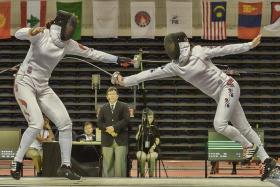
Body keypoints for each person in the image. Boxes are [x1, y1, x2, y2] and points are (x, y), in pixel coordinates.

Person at [111, 32, 277, 181]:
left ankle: (248, 146)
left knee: (219, 125)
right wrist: (124, 81)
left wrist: (248, 45)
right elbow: (148, 74)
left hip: (228, 86)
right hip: (220, 95)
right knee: (245, 128)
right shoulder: (174, 66)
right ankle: (268, 160)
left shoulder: (199, 51)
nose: (170, 50)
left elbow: (224, 49)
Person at [11, 10, 134, 180]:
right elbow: (18, 33)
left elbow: (93, 53)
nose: (70, 30)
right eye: (69, 26)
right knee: (37, 122)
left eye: (72, 27)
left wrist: (117, 59)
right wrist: (30, 31)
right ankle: (16, 161)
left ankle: (66, 166)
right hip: (24, 83)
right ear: (60, 25)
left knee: (65, 123)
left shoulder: (68, 44)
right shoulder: (42, 35)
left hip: (43, 86)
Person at [97, 86, 130, 177]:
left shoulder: (124, 106)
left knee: (120, 165)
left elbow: (126, 120)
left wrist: (114, 127)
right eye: (110, 94)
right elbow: (99, 123)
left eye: (113, 94)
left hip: (121, 139)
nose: (111, 96)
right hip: (107, 139)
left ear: (117, 96)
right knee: (107, 165)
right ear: (107, 96)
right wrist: (109, 130)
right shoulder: (103, 108)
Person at [136, 108, 160, 177]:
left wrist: (153, 147)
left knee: (151, 157)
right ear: (145, 118)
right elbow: (137, 138)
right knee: (142, 157)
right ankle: (142, 176)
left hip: (152, 150)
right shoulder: (141, 127)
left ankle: (151, 176)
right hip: (142, 150)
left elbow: (157, 140)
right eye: (149, 117)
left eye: (152, 117)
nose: (151, 119)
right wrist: (140, 130)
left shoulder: (155, 128)